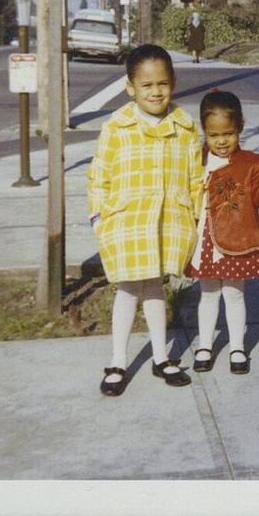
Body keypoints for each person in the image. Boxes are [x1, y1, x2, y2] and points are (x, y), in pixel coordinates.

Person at [88, 44, 203, 396]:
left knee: (155, 287)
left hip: (168, 220)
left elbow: (195, 176)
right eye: (147, 85)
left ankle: (160, 356)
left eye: (163, 84)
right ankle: (118, 360)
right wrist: (98, 216)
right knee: (127, 289)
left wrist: (196, 217)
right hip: (127, 221)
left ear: (173, 83)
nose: (156, 92)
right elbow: (99, 174)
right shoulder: (117, 126)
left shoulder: (184, 127)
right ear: (131, 87)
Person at [185, 91, 259, 374]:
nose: (222, 141)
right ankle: (205, 345)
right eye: (214, 135)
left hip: (237, 240)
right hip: (204, 240)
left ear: (240, 127)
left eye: (228, 133)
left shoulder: (252, 163)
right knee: (208, 294)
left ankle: (237, 346)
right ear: (205, 131)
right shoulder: (196, 160)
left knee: (234, 293)